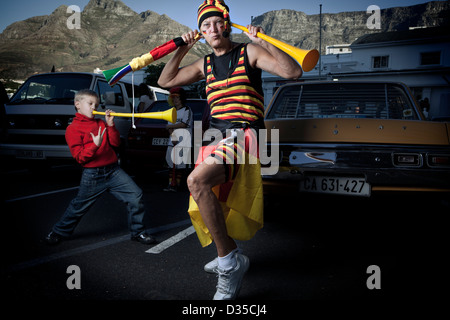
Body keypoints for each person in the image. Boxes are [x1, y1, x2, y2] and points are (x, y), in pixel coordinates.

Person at [158, 0, 302, 300]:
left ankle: (228, 265)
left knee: (196, 182)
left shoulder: (248, 52)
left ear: (227, 23)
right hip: (216, 137)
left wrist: (264, 41)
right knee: (211, 199)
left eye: (216, 23)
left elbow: (292, 73)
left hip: (245, 134)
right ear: (201, 32)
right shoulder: (204, 64)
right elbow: (165, 81)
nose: (212, 29)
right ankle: (233, 254)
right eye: (204, 26)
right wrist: (183, 47)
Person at [45, 89, 156, 245]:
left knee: (136, 196)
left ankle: (138, 232)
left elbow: (116, 144)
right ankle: (57, 232)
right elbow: (80, 158)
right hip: (93, 174)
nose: (94, 107)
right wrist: (95, 145)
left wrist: (111, 126)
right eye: (90, 103)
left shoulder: (101, 123)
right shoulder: (73, 129)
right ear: (77, 104)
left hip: (113, 170)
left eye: (96, 104)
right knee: (78, 206)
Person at [164, 87, 194, 192]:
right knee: (170, 163)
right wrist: (173, 136)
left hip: (183, 140)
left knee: (180, 165)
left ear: (182, 98)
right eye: (173, 98)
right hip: (173, 141)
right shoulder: (171, 111)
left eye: (177, 98)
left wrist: (170, 128)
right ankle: (170, 184)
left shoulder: (187, 110)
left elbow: (184, 124)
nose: (175, 100)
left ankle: (177, 184)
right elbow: (169, 126)